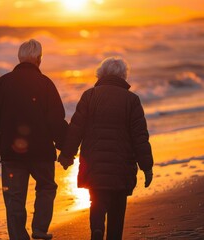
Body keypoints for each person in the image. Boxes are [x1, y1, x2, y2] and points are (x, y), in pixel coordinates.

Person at [58, 57, 154, 240]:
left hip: (94, 164)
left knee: (97, 200)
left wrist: (66, 155)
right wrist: (147, 167)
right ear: (123, 76)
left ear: (101, 74)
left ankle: (96, 230)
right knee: (118, 207)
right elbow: (140, 137)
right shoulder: (132, 100)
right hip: (121, 165)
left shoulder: (89, 95)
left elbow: (76, 128)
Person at [0, 39, 68, 240]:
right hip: (42, 153)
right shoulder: (45, 83)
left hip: (12, 153)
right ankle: (39, 229)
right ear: (39, 59)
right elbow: (56, 119)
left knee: (14, 197)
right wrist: (65, 148)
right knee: (46, 188)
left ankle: (18, 236)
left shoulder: (3, 83)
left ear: (19, 58)